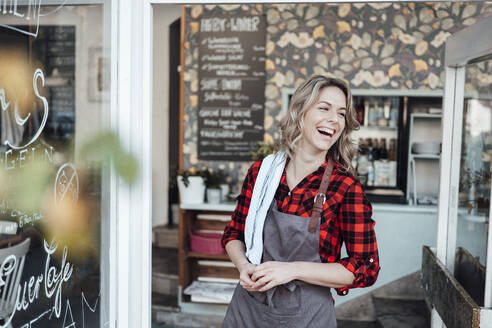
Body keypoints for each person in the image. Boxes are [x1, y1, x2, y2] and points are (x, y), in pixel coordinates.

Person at [221, 75, 380, 327]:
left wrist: (291, 270)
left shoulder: (345, 188)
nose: (334, 119)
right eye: (324, 108)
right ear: (301, 112)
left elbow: (365, 267)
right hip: (247, 310)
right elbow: (233, 234)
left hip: (306, 316)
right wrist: (243, 266)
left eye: (341, 114)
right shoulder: (262, 173)